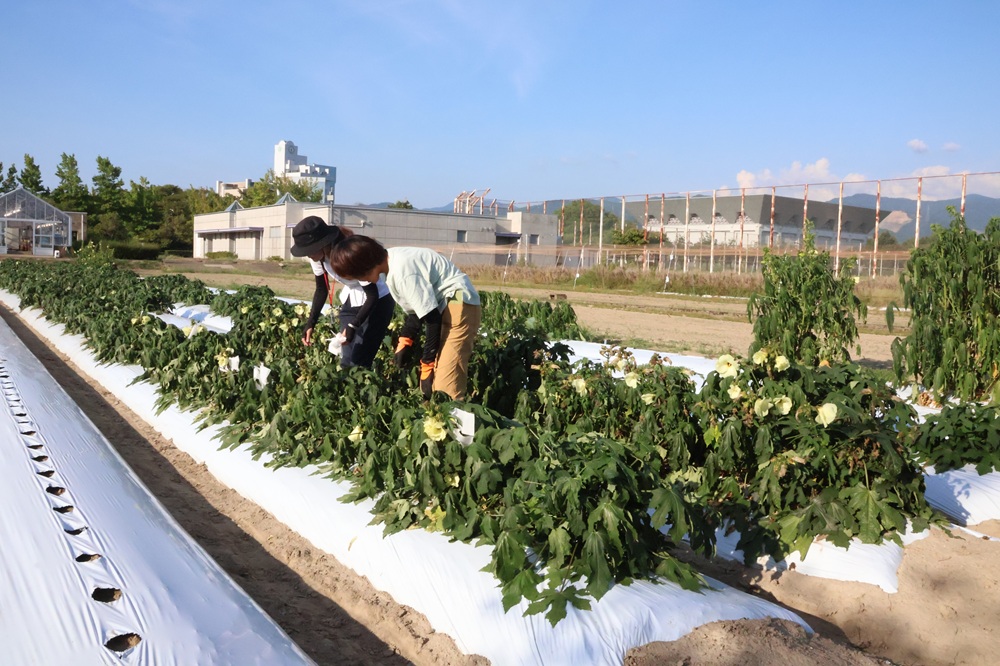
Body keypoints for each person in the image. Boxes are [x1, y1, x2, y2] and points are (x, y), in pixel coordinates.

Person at [328, 235, 481, 400]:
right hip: (447, 303)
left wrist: (427, 364)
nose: (359, 281)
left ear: (364, 266)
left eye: (356, 276)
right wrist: (405, 340)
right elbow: (418, 310)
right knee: (439, 376)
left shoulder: (402, 273)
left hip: (459, 304)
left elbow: (432, 319)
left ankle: (453, 419)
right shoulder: (391, 263)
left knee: (445, 385)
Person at [290, 216, 394, 368]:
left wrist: (353, 326)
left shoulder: (349, 254)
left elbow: (372, 294)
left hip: (377, 302)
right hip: (352, 299)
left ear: (322, 243)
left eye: (309, 250)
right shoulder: (318, 258)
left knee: (360, 361)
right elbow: (321, 288)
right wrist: (310, 323)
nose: (307, 255)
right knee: (347, 361)